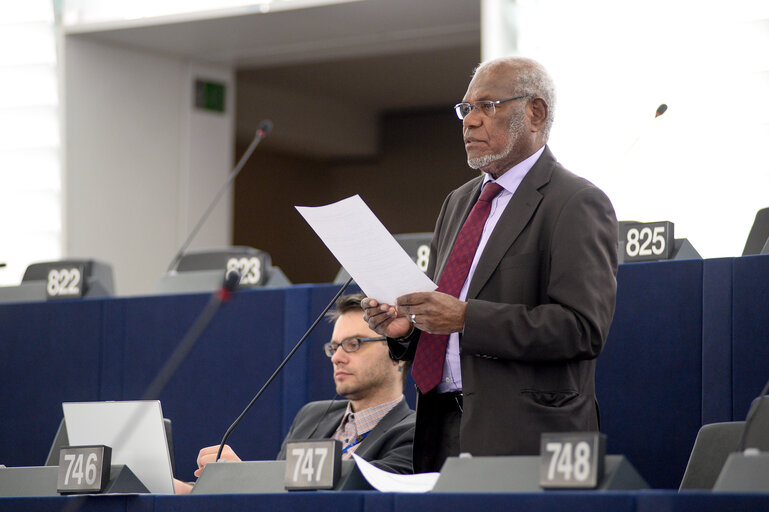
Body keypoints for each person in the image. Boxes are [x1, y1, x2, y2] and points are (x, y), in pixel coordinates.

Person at [362, 56, 618, 473]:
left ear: (535, 112)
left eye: (487, 106)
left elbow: (581, 329)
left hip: (524, 436)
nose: (470, 121)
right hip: (439, 425)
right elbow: (445, 320)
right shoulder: (458, 202)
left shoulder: (575, 202)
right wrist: (408, 330)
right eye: (465, 109)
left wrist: (467, 318)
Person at [175, 293, 415, 493]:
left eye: (354, 344)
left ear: (397, 355)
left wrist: (242, 478)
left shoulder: (415, 432)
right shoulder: (312, 415)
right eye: (334, 347)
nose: (338, 358)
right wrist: (184, 490)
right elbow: (278, 497)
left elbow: (352, 498)